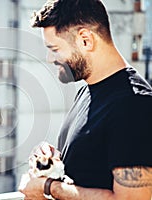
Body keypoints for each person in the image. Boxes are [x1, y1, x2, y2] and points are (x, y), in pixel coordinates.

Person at [20, 0, 152, 199]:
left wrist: (48, 187)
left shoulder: (134, 104)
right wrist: (51, 164)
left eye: (54, 48)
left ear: (85, 40)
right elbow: (88, 169)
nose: (49, 58)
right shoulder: (86, 91)